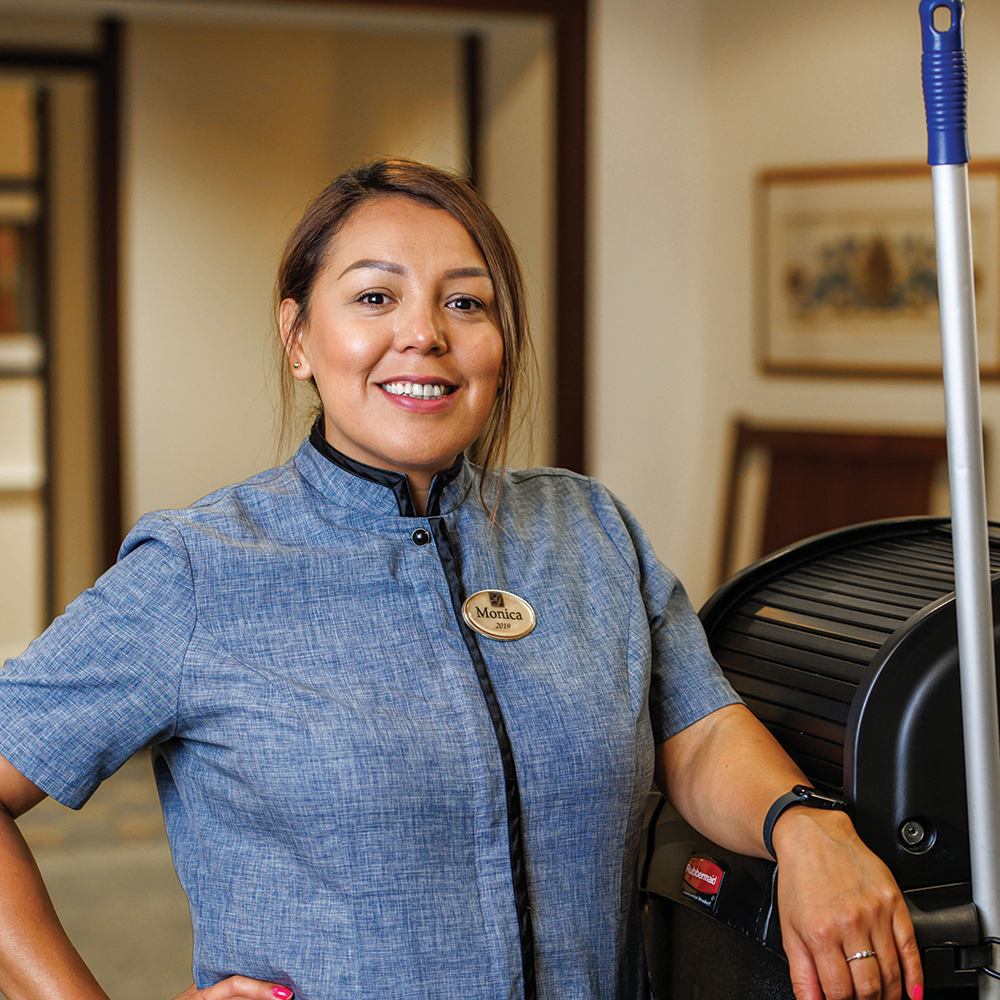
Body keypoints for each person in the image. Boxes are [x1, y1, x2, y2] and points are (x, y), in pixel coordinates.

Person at [0, 158, 922, 1000]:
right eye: (373, 298)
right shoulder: (201, 567)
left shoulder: (586, 528)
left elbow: (697, 728)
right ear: (298, 336)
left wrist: (806, 825)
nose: (424, 337)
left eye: (467, 304)